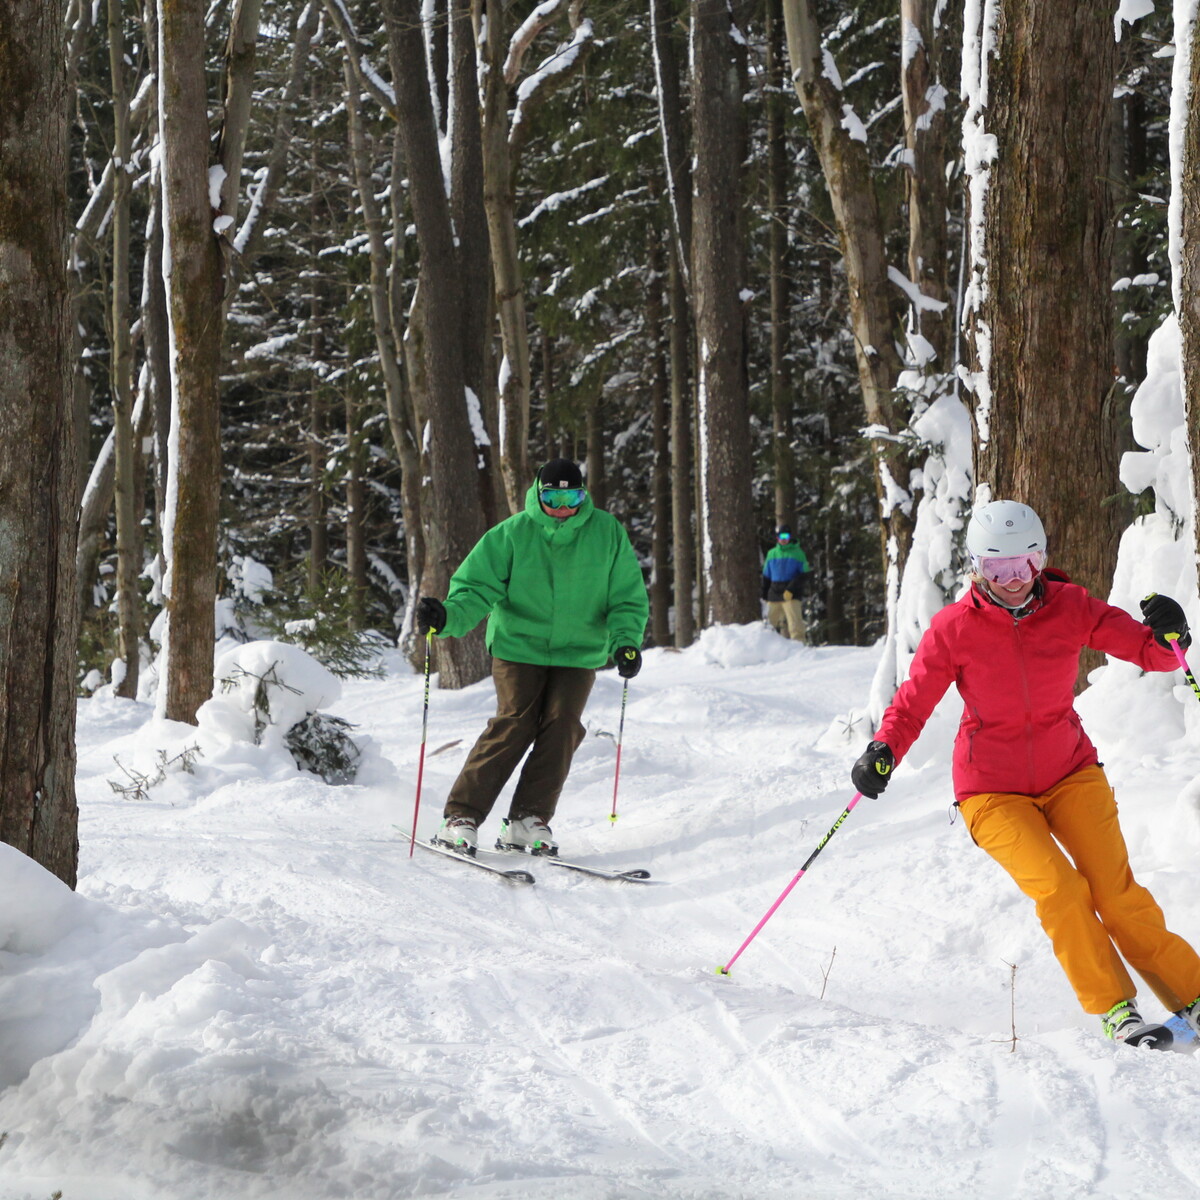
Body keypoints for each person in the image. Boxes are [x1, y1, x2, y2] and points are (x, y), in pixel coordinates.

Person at [851, 498, 1200, 1049]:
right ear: (976, 568)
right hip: (991, 791)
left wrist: (1171, 634)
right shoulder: (953, 629)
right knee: (1061, 890)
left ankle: (1192, 994)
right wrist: (882, 749)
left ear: (1041, 559)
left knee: (1115, 894)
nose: (1013, 580)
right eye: (997, 568)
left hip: (1070, 771)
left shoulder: (1071, 606)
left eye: (1024, 564)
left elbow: (1150, 651)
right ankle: (1116, 1008)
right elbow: (912, 702)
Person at [415, 458, 649, 858]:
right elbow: (474, 589)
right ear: (539, 494)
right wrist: (448, 617)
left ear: (582, 495)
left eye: (571, 496)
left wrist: (625, 642)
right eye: (553, 496)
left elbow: (625, 596)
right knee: (516, 721)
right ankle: (461, 816)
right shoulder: (511, 534)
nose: (562, 505)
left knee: (563, 725)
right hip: (518, 646)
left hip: (578, 652)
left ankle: (527, 819)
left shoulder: (606, 532)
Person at [762, 525, 810, 642]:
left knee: (795, 625)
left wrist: (791, 589)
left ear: (790, 537)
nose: (784, 539)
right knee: (768, 625)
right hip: (774, 593)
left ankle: (799, 648)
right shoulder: (771, 553)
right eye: (781, 536)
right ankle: (766, 648)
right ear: (777, 538)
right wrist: (764, 596)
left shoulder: (798, 553)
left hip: (791, 595)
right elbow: (766, 576)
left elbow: (804, 575)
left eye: (786, 536)